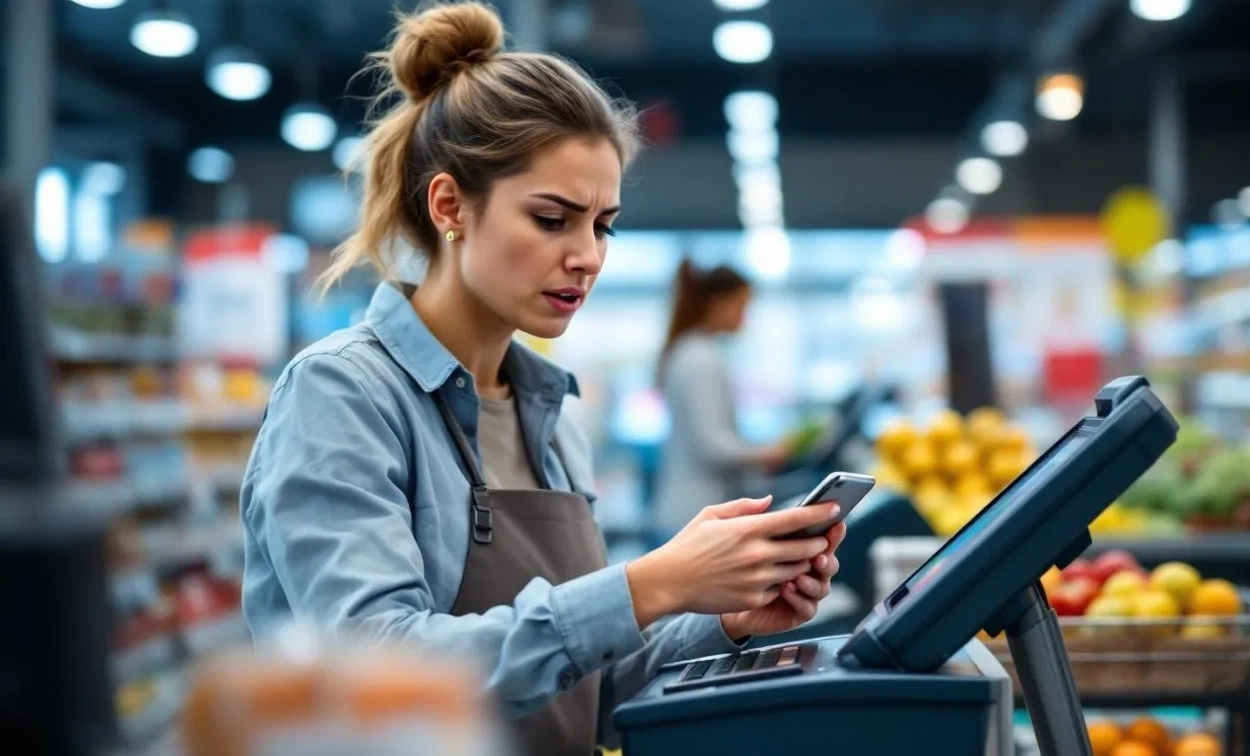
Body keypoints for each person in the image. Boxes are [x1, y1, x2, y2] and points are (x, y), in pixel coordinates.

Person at [238, 4, 846, 756]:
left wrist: (722, 620)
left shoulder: (550, 416)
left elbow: (587, 692)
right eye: (553, 219)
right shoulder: (341, 395)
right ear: (451, 205)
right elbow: (381, 674)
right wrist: (649, 585)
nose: (588, 255)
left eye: (603, 225)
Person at [651, 260, 795, 534]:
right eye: (741, 306)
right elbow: (713, 445)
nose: (745, 317)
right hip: (694, 514)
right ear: (718, 303)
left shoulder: (693, 350)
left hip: (692, 510)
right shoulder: (700, 357)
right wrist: (768, 453)